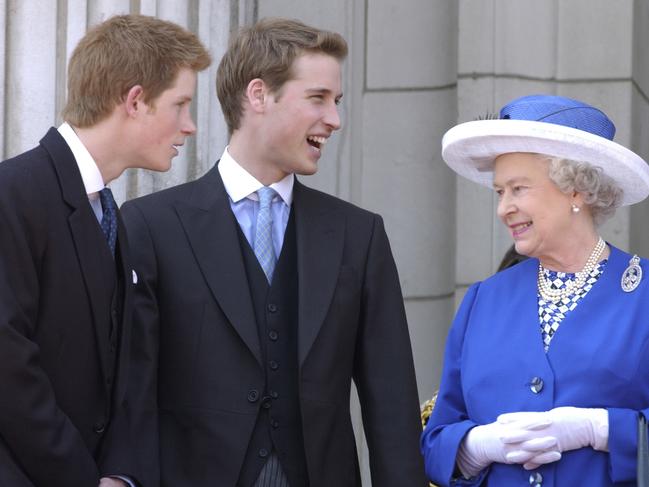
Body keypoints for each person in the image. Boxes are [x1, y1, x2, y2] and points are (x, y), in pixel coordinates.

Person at [122, 17, 427, 487]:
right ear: (259, 95)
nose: (335, 119)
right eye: (318, 98)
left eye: (337, 102)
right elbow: (130, 389)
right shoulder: (150, 226)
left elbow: (391, 400)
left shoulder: (358, 235)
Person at [0, 14, 210, 487]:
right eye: (180, 105)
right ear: (135, 101)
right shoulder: (12, 194)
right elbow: (8, 366)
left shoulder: (114, 215)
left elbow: (127, 372)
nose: (190, 126)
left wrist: (121, 475)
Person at [420, 94, 649, 486]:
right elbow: (434, 441)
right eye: (499, 192)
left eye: (518, 189)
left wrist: (601, 429)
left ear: (576, 190)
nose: (503, 208)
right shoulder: (483, 300)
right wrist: (475, 446)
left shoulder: (643, 296)